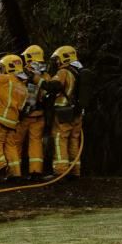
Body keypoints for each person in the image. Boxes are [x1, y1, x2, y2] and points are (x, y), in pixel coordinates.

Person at [44, 45, 84, 179]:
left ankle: (60, 171)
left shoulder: (63, 72)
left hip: (63, 113)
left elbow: (53, 86)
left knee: (59, 140)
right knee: (74, 141)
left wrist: (38, 79)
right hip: (77, 113)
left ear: (64, 59)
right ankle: (75, 171)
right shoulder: (78, 71)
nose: (56, 62)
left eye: (57, 59)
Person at [16, 45, 50, 181]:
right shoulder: (45, 74)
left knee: (16, 143)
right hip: (39, 115)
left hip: (23, 116)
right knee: (36, 143)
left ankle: (15, 172)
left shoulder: (24, 73)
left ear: (29, 57)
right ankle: (36, 172)